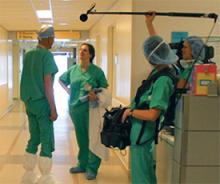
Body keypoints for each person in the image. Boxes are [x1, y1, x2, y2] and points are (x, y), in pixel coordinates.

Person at [122, 13, 178, 184]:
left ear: (151, 58)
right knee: (146, 174)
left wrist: (130, 111)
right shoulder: (160, 70)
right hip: (140, 134)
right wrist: (149, 24)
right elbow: (157, 45)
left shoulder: (163, 80)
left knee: (141, 178)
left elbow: (153, 114)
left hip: (143, 135)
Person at [59, 43, 108, 180]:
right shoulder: (73, 70)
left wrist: (96, 95)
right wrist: (68, 91)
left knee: (93, 138)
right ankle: (82, 164)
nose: (81, 52)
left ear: (91, 55)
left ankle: (92, 168)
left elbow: (104, 88)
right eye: (80, 50)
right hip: (75, 108)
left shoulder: (97, 71)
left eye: (85, 51)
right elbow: (61, 80)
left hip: (91, 109)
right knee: (81, 138)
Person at [20, 25, 58, 184]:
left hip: (29, 103)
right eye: (53, 38)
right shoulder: (46, 56)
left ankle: (28, 173)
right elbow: (48, 83)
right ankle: (45, 177)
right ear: (48, 39)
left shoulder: (28, 55)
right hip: (42, 103)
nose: (53, 41)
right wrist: (53, 108)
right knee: (46, 138)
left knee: (34, 136)